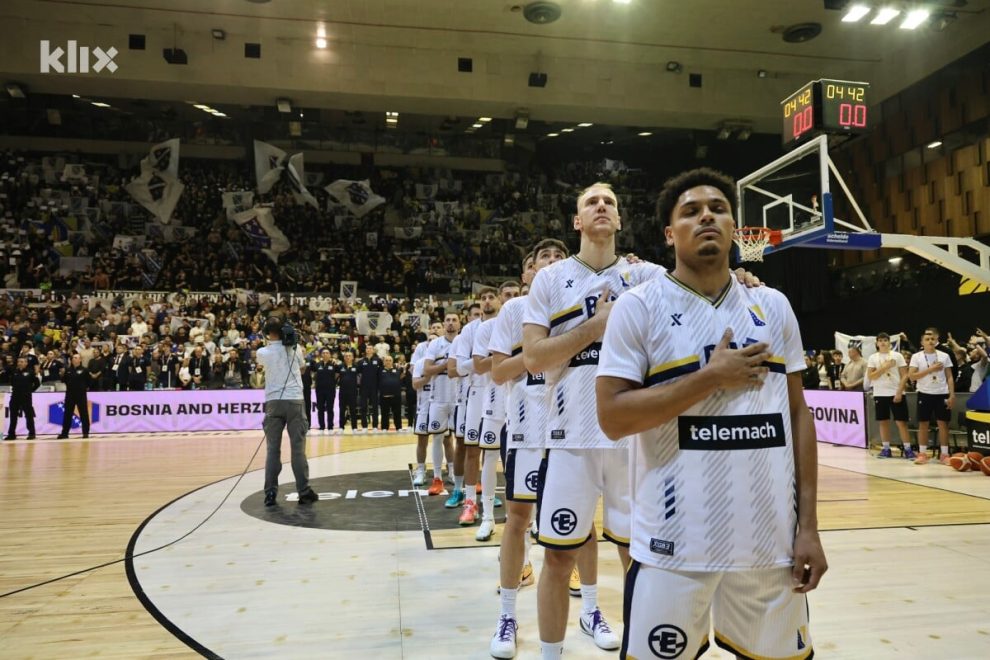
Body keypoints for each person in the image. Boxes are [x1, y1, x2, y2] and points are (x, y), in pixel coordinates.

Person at [596, 167, 827, 660]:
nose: (706, 217)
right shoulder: (638, 307)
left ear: (734, 228)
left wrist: (808, 526)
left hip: (770, 547)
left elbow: (798, 415)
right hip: (672, 547)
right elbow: (612, 417)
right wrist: (709, 378)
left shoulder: (772, 305)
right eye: (691, 211)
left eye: (718, 209)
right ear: (669, 233)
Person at [522, 182, 667, 657]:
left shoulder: (649, 276)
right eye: (591, 202)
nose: (602, 206)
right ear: (577, 221)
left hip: (634, 441)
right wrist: (595, 327)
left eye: (610, 202)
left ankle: (638, 650)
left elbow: (703, 290)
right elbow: (534, 359)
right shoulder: (550, 279)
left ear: (620, 220)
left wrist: (741, 277)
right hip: (571, 438)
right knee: (557, 558)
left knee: (640, 559)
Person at [487, 240, 570, 658]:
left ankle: (591, 607)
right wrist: (535, 354)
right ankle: (506, 615)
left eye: (559, 257)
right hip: (525, 430)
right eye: (544, 258)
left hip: (570, 428)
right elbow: (498, 371)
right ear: (529, 271)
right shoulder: (514, 310)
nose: (552, 263)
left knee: (578, 526)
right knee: (518, 520)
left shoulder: (579, 306)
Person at [256, 317, 319, 507]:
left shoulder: (262, 352)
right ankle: (304, 492)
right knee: (298, 450)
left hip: (273, 402)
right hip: (294, 401)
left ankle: (270, 493)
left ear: (267, 332)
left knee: (272, 450)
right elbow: (302, 369)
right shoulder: (295, 349)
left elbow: (263, 366)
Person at [422, 313, 462, 495]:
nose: (451, 323)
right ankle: (437, 478)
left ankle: (455, 474)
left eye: (454, 320)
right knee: (437, 437)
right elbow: (427, 369)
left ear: (460, 324)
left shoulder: (464, 341)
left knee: (462, 440)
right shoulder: (435, 344)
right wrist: (446, 365)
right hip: (438, 398)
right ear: (444, 324)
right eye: (448, 320)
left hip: (460, 398)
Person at [908, 328, 955, 465]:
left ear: (936, 341)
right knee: (923, 423)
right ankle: (922, 453)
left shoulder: (944, 356)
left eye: (932, 339)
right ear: (922, 342)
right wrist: (930, 369)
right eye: (927, 339)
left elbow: (950, 377)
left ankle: (944, 455)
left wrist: (952, 394)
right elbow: (912, 376)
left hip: (942, 393)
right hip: (924, 393)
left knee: (943, 424)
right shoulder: (916, 357)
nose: (930, 341)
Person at [868, 333, 913, 459]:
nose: (883, 342)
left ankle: (908, 449)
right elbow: (871, 376)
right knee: (883, 421)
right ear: (877, 343)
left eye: (885, 340)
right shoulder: (873, 357)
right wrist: (884, 367)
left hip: (896, 392)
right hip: (880, 393)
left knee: (901, 422)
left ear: (889, 343)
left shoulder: (897, 356)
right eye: (880, 340)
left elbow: (905, 375)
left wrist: (899, 391)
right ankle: (886, 449)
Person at [4, 357, 40, 440]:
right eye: (18, 361)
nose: (19, 363)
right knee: (13, 416)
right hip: (15, 396)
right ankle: (11, 434)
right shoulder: (14, 372)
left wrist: (30, 390)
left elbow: (37, 383)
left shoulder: (30, 372)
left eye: (22, 362)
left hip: (26, 397)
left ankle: (32, 433)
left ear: (26, 363)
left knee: (29, 415)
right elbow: (12, 382)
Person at [58, 353, 92, 439]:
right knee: (67, 414)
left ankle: (85, 433)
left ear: (80, 360)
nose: (74, 359)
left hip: (81, 395)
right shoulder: (68, 370)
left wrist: (83, 387)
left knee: (83, 413)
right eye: (73, 357)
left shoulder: (85, 370)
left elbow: (89, 381)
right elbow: (64, 380)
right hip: (70, 394)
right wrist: (62, 374)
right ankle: (64, 433)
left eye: (76, 357)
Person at [357, 344, 383, 432]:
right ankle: (364, 426)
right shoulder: (361, 361)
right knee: (363, 407)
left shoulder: (378, 360)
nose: (368, 349)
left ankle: (375, 426)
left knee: (375, 407)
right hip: (364, 387)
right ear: (365, 350)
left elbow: (381, 373)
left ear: (373, 350)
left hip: (374, 387)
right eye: (367, 348)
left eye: (370, 348)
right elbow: (357, 373)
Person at [313, 348, 338, 433]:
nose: (325, 354)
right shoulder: (317, 365)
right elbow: (314, 374)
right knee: (320, 409)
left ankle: (330, 427)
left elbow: (337, 375)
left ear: (330, 355)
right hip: (319, 390)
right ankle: (321, 427)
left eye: (327, 353)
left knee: (330, 408)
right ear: (321, 355)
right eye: (323, 353)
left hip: (330, 390)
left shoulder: (334, 364)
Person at [337, 351, 360, 433]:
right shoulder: (340, 366)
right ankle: (341, 427)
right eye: (346, 356)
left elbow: (360, 377)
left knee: (353, 410)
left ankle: (354, 428)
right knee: (342, 410)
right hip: (342, 391)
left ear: (352, 357)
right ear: (344, 358)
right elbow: (336, 376)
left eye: (349, 356)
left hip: (352, 391)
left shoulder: (356, 366)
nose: (348, 357)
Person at [379, 354, 403, 432]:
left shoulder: (397, 370)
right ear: (383, 362)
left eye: (390, 360)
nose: (388, 362)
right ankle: (384, 428)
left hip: (396, 395)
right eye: (386, 360)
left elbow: (402, 376)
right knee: (384, 413)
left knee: (397, 413)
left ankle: (399, 427)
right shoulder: (380, 370)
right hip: (384, 395)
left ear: (392, 362)